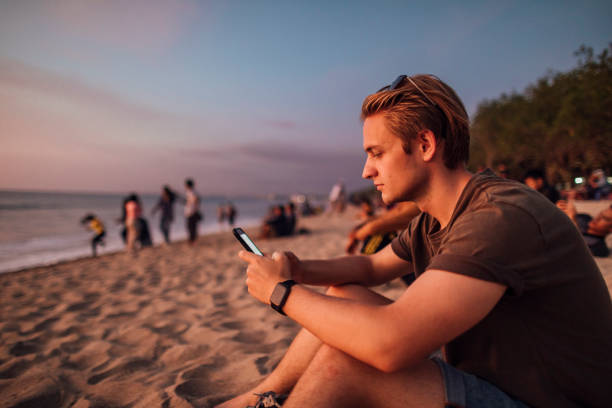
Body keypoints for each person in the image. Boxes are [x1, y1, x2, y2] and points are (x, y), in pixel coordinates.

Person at [218, 74, 612, 408]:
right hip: (498, 383)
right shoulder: (435, 217)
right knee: (344, 294)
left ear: (425, 145)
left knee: (346, 364)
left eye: (376, 153)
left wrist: (281, 292)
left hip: (549, 400)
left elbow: (391, 345)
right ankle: (258, 397)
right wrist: (298, 269)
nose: (366, 169)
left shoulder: (499, 217)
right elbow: (372, 267)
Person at [184, 178, 202, 245]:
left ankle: (192, 241)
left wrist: (194, 208)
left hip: (192, 212)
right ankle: (192, 241)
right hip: (190, 212)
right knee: (191, 227)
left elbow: (196, 200)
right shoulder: (191, 192)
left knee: (191, 227)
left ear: (188, 185)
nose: (185, 186)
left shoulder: (192, 192)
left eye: (185, 185)